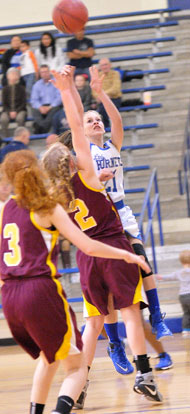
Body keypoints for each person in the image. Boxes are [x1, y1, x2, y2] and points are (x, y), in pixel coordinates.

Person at [42, 65, 163, 405]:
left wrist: (69, 92)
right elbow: (76, 128)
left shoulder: (57, 196)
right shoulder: (91, 177)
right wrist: (67, 90)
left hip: (87, 255)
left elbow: (78, 129)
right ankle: (144, 374)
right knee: (129, 313)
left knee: (93, 325)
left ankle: (78, 382)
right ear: (72, 161)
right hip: (112, 244)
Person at [0, 149, 150, 414]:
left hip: (9, 296)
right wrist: (126, 254)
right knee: (77, 365)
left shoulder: (4, 210)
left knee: (50, 357)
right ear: (37, 171)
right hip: (40, 289)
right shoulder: (47, 207)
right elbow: (89, 246)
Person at [156, 250, 190, 337]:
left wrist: (161, 277)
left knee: (186, 313)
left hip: (182, 296)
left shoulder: (179, 273)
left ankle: (185, 331)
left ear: (181, 261)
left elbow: (169, 277)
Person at [30, 64, 62, 134]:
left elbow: (59, 97)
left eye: (46, 72)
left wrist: (49, 107)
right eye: (42, 72)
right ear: (40, 74)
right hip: (41, 106)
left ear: (49, 72)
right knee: (34, 109)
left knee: (55, 110)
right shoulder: (37, 85)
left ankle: (41, 129)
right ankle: (45, 128)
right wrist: (40, 107)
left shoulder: (56, 82)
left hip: (53, 106)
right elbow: (34, 100)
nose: (44, 74)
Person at [92, 58, 122, 128]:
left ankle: (113, 129)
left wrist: (103, 95)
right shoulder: (97, 75)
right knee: (100, 111)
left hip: (114, 98)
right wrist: (102, 97)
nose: (104, 67)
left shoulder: (115, 74)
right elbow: (94, 91)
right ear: (100, 67)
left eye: (106, 64)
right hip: (102, 100)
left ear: (110, 65)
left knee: (108, 110)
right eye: (102, 65)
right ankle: (106, 129)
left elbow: (116, 89)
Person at [0, 67, 27, 138]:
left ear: (18, 76)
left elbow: (23, 103)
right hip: (7, 110)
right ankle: (6, 139)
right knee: (3, 119)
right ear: (8, 76)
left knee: (20, 118)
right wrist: (9, 112)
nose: (13, 76)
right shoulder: (5, 89)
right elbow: (4, 103)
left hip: (20, 110)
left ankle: (21, 137)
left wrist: (16, 111)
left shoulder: (22, 88)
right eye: (11, 74)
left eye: (15, 74)